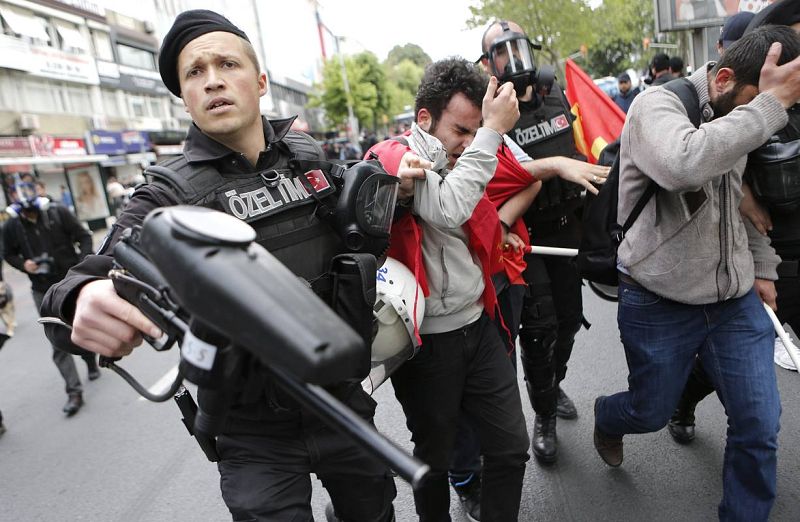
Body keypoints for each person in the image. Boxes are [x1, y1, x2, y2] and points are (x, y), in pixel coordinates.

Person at [41, 10, 396, 521]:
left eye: (227, 64)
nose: (212, 80)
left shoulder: (307, 157)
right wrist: (82, 297)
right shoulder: (166, 194)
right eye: (195, 72)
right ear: (185, 98)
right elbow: (83, 281)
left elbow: (363, 228)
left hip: (343, 400)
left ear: (261, 82)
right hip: (253, 433)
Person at [593, 26, 800, 520]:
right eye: (756, 104)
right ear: (723, 79)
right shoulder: (655, 107)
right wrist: (769, 106)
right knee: (649, 411)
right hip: (657, 301)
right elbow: (684, 164)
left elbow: (739, 206)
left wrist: (763, 268)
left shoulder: (742, 114)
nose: (765, 120)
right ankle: (609, 417)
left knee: (759, 424)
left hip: (734, 302)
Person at [368, 57, 530, 521]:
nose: (469, 143)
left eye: (475, 131)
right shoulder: (394, 158)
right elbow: (449, 207)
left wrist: (502, 235)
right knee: (433, 462)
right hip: (427, 348)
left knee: (510, 448)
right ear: (424, 119)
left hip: (479, 327)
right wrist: (493, 131)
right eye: (461, 130)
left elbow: (477, 215)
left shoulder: (466, 159)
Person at [668, 0, 800, 445]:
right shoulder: (745, 97)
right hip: (768, 248)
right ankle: (684, 397)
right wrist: (743, 195)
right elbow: (709, 159)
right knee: (737, 363)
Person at [479, 20, 593, 466]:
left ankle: (551, 383)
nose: (512, 58)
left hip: (567, 229)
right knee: (541, 327)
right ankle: (544, 413)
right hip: (526, 238)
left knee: (569, 320)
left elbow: (584, 146)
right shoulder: (490, 116)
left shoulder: (558, 96)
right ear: (487, 63)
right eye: (499, 51)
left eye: (517, 47)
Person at [4, 176, 97, 416]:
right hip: (42, 290)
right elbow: (8, 254)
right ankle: (74, 392)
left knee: (80, 325)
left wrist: (82, 266)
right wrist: (24, 264)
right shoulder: (11, 226)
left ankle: (89, 358)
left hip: (70, 283)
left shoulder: (58, 213)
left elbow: (85, 237)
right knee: (57, 338)